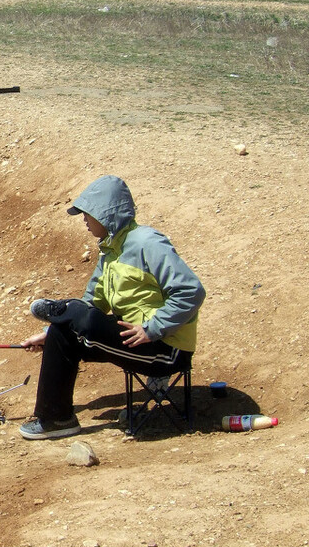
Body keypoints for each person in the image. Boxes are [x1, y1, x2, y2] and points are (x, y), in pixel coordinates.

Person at [18, 175, 205, 440]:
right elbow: (92, 303)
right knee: (64, 330)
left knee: (82, 318)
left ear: (105, 214)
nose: (84, 219)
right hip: (132, 342)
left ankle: (58, 310)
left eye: (88, 213)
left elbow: (191, 291)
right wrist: (49, 336)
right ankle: (56, 420)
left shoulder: (146, 242)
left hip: (165, 350)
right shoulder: (109, 251)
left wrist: (152, 329)